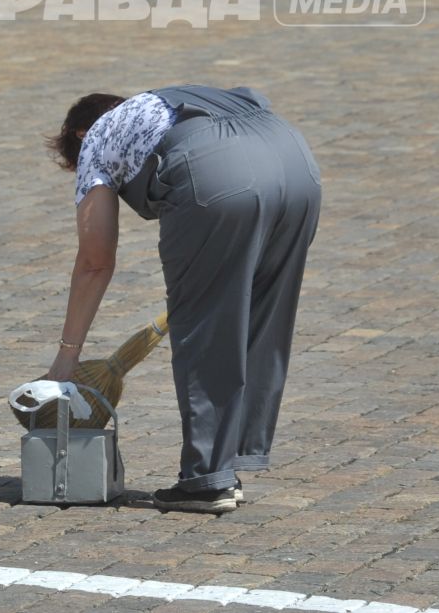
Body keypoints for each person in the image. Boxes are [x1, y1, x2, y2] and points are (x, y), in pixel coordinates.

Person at [46, 85, 321, 514]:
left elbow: (95, 261)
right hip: (296, 164)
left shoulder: (96, 138)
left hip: (216, 175)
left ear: (80, 135)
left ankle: (207, 481)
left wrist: (68, 356)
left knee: (204, 326)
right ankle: (228, 462)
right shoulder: (168, 104)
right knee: (262, 316)